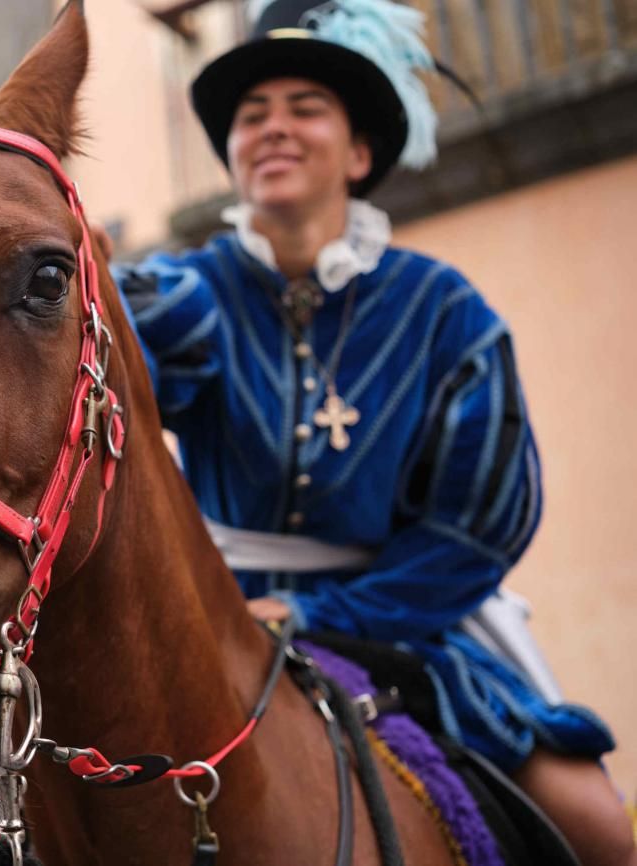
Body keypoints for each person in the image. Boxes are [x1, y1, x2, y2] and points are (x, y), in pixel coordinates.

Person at [111, 0, 635, 862]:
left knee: (600, 830)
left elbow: (476, 531)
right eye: (252, 115)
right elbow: (101, 388)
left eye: (304, 107)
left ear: (358, 151)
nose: (273, 128)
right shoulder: (187, 294)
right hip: (213, 618)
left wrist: (320, 609)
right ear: (233, 154)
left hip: (412, 618)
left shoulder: (446, 313)